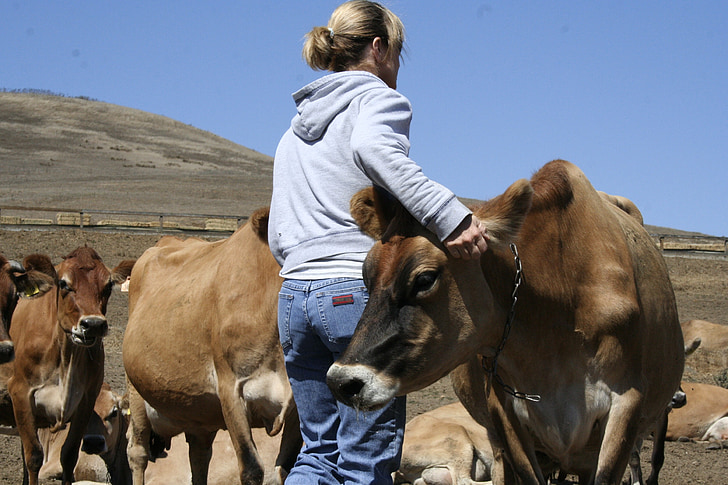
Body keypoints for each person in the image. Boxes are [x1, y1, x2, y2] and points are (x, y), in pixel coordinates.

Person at [268, 1, 488, 483]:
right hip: (351, 297)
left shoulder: (295, 130)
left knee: (317, 455)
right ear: (378, 48)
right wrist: (451, 218)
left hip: (292, 301)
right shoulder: (377, 99)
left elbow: (277, 234)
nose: (396, 70)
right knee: (366, 460)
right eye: (397, 54)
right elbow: (373, 149)